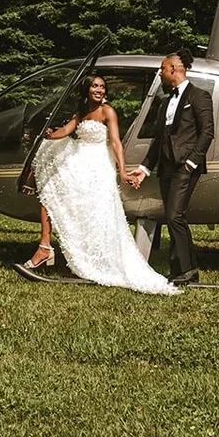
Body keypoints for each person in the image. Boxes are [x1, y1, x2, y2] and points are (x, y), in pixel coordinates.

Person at [15, 75, 179, 295]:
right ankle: (45, 246)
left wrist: (122, 171)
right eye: (95, 86)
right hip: (79, 159)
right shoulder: (81, 112)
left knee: (91, 211)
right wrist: (48, 135)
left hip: (96, 164)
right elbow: (65, 132)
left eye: (102, 87)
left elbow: (115, 142)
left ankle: (67, 253)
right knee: (50, 188)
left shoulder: (107, 111)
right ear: (87, 89)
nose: (99, 90)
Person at [128, 49, 215, 285]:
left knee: (175, 215)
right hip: (166, 167)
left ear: (174, 69)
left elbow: (207, 132)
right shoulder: (166, 102)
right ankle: (180, 271)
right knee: (173, 216)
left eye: (162, 68)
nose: (160, 72)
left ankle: (188, 270)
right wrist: (145, 169)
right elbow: (159, 140)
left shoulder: (199, 96)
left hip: (185, 166)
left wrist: (191, 162)